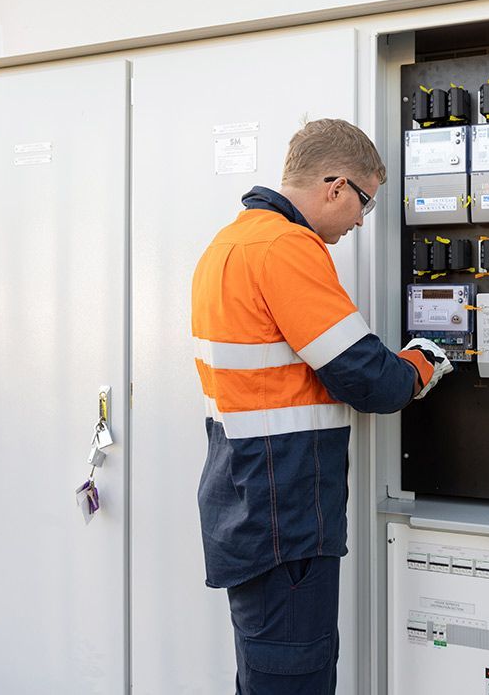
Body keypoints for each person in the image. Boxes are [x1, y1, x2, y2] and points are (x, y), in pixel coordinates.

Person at [191, 119, 452, 694]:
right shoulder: (286, 248)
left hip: (246, 502)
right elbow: (371, 381)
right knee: (295, 678)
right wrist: (424, 360)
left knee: (266, 675)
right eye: (364, 203)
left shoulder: (230, 241)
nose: (360, 220)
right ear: (335, 186)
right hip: (285, 515)